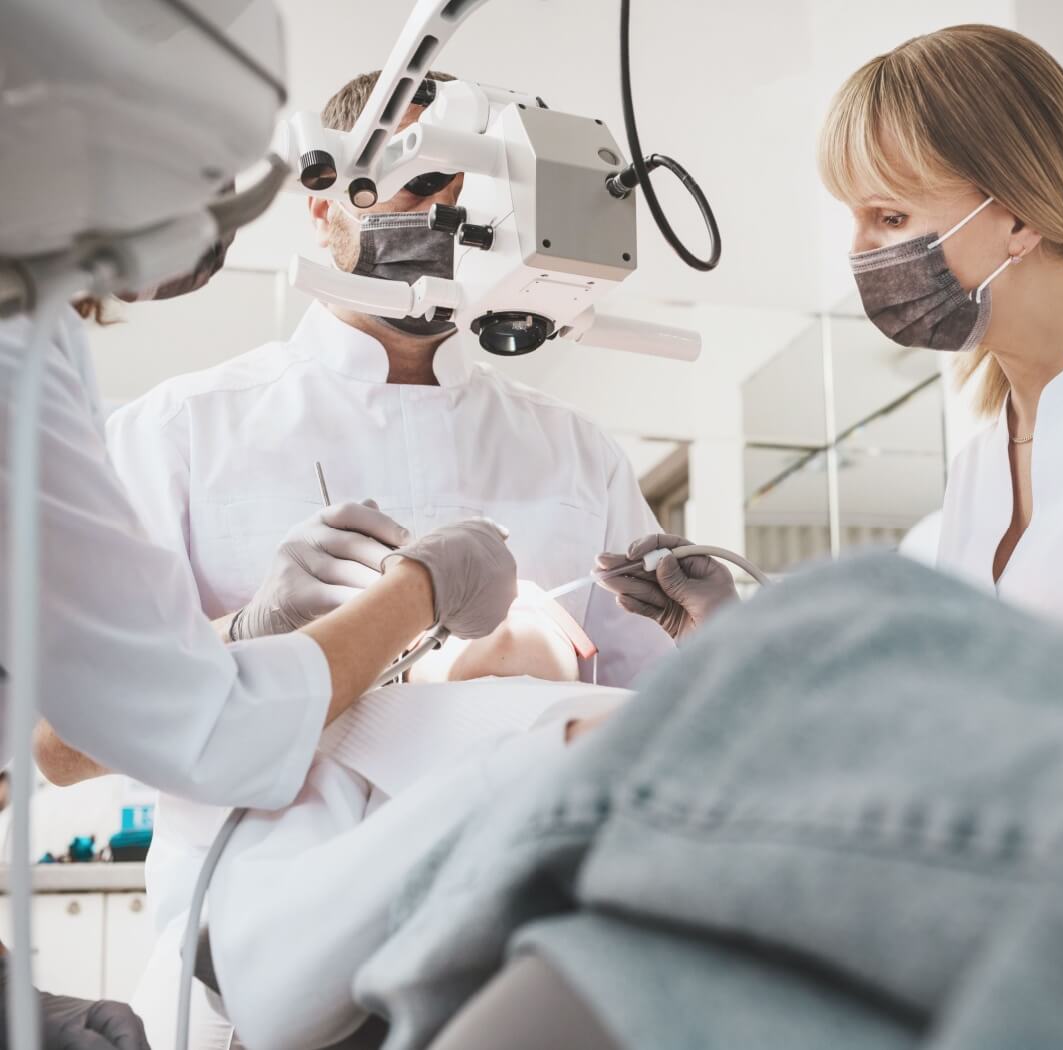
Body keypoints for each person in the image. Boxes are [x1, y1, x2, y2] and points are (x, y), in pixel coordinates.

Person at [30, 68, 672, 1049]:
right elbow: (53, 743)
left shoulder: (576, 454)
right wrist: (234, 640)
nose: (448, 222)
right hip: (254, 970)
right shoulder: (180, 434)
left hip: (522, 971)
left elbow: (650, 729)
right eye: (420, 188)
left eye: (473, 200)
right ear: (324, 200)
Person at [0, 248, 518, 1050]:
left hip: (507, 959)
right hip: (246, 984)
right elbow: (79, 735)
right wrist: (414, 591)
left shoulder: (577, 454)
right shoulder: (176, 426)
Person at [601, 25, 1063, 641]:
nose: (860, 250)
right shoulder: (978, 468)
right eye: (855, 220)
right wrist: (724, 632)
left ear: (1017, 219)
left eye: (890, 217)